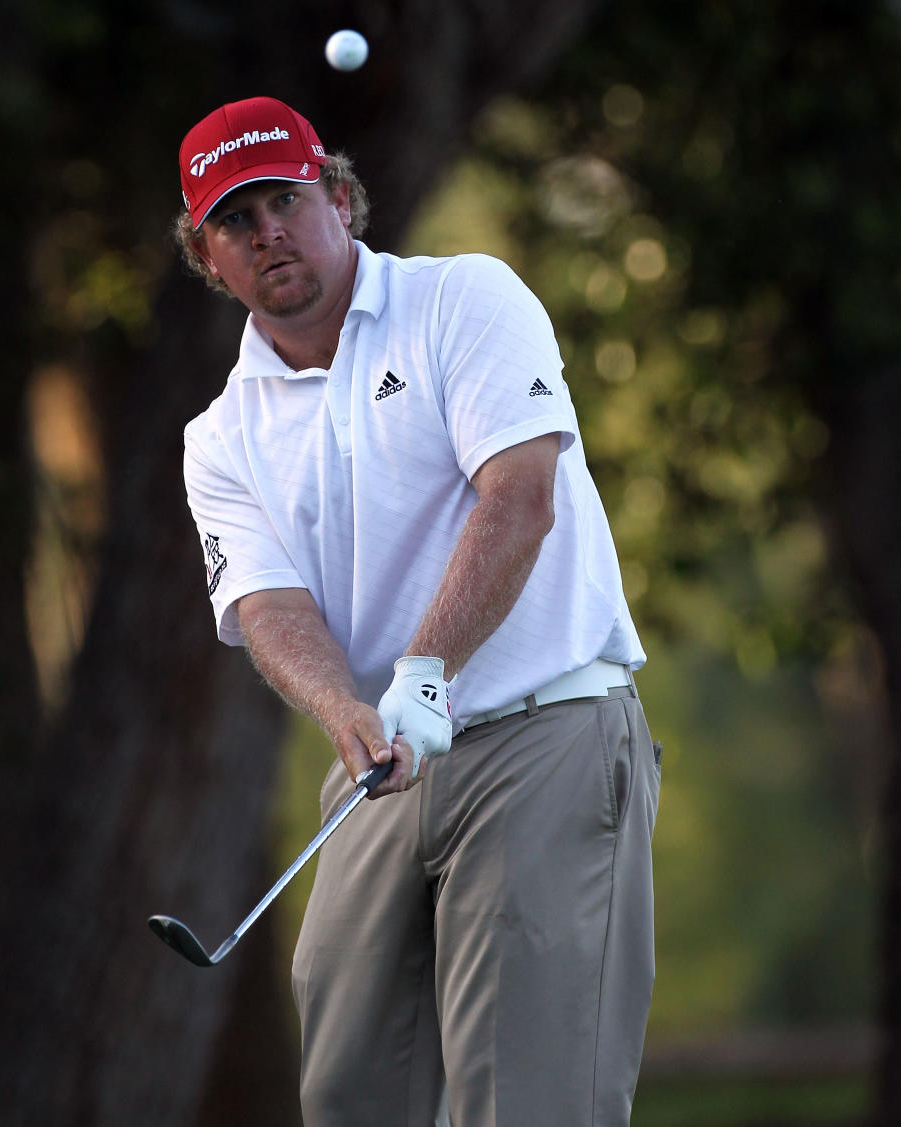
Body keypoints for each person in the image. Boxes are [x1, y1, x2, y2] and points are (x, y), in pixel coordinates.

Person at [174, 95, 662, 1127]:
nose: (267, 231)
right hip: (385, 761)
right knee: (350, 1086)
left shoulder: (462, 300)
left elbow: (520, 498)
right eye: (235, 218)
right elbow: (267, 602)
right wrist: (342, 710)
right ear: (205, 255)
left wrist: (426, 666)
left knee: (527, 1097)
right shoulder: (219, 436)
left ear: (339, 197)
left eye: (285, 200)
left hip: (549, 729)